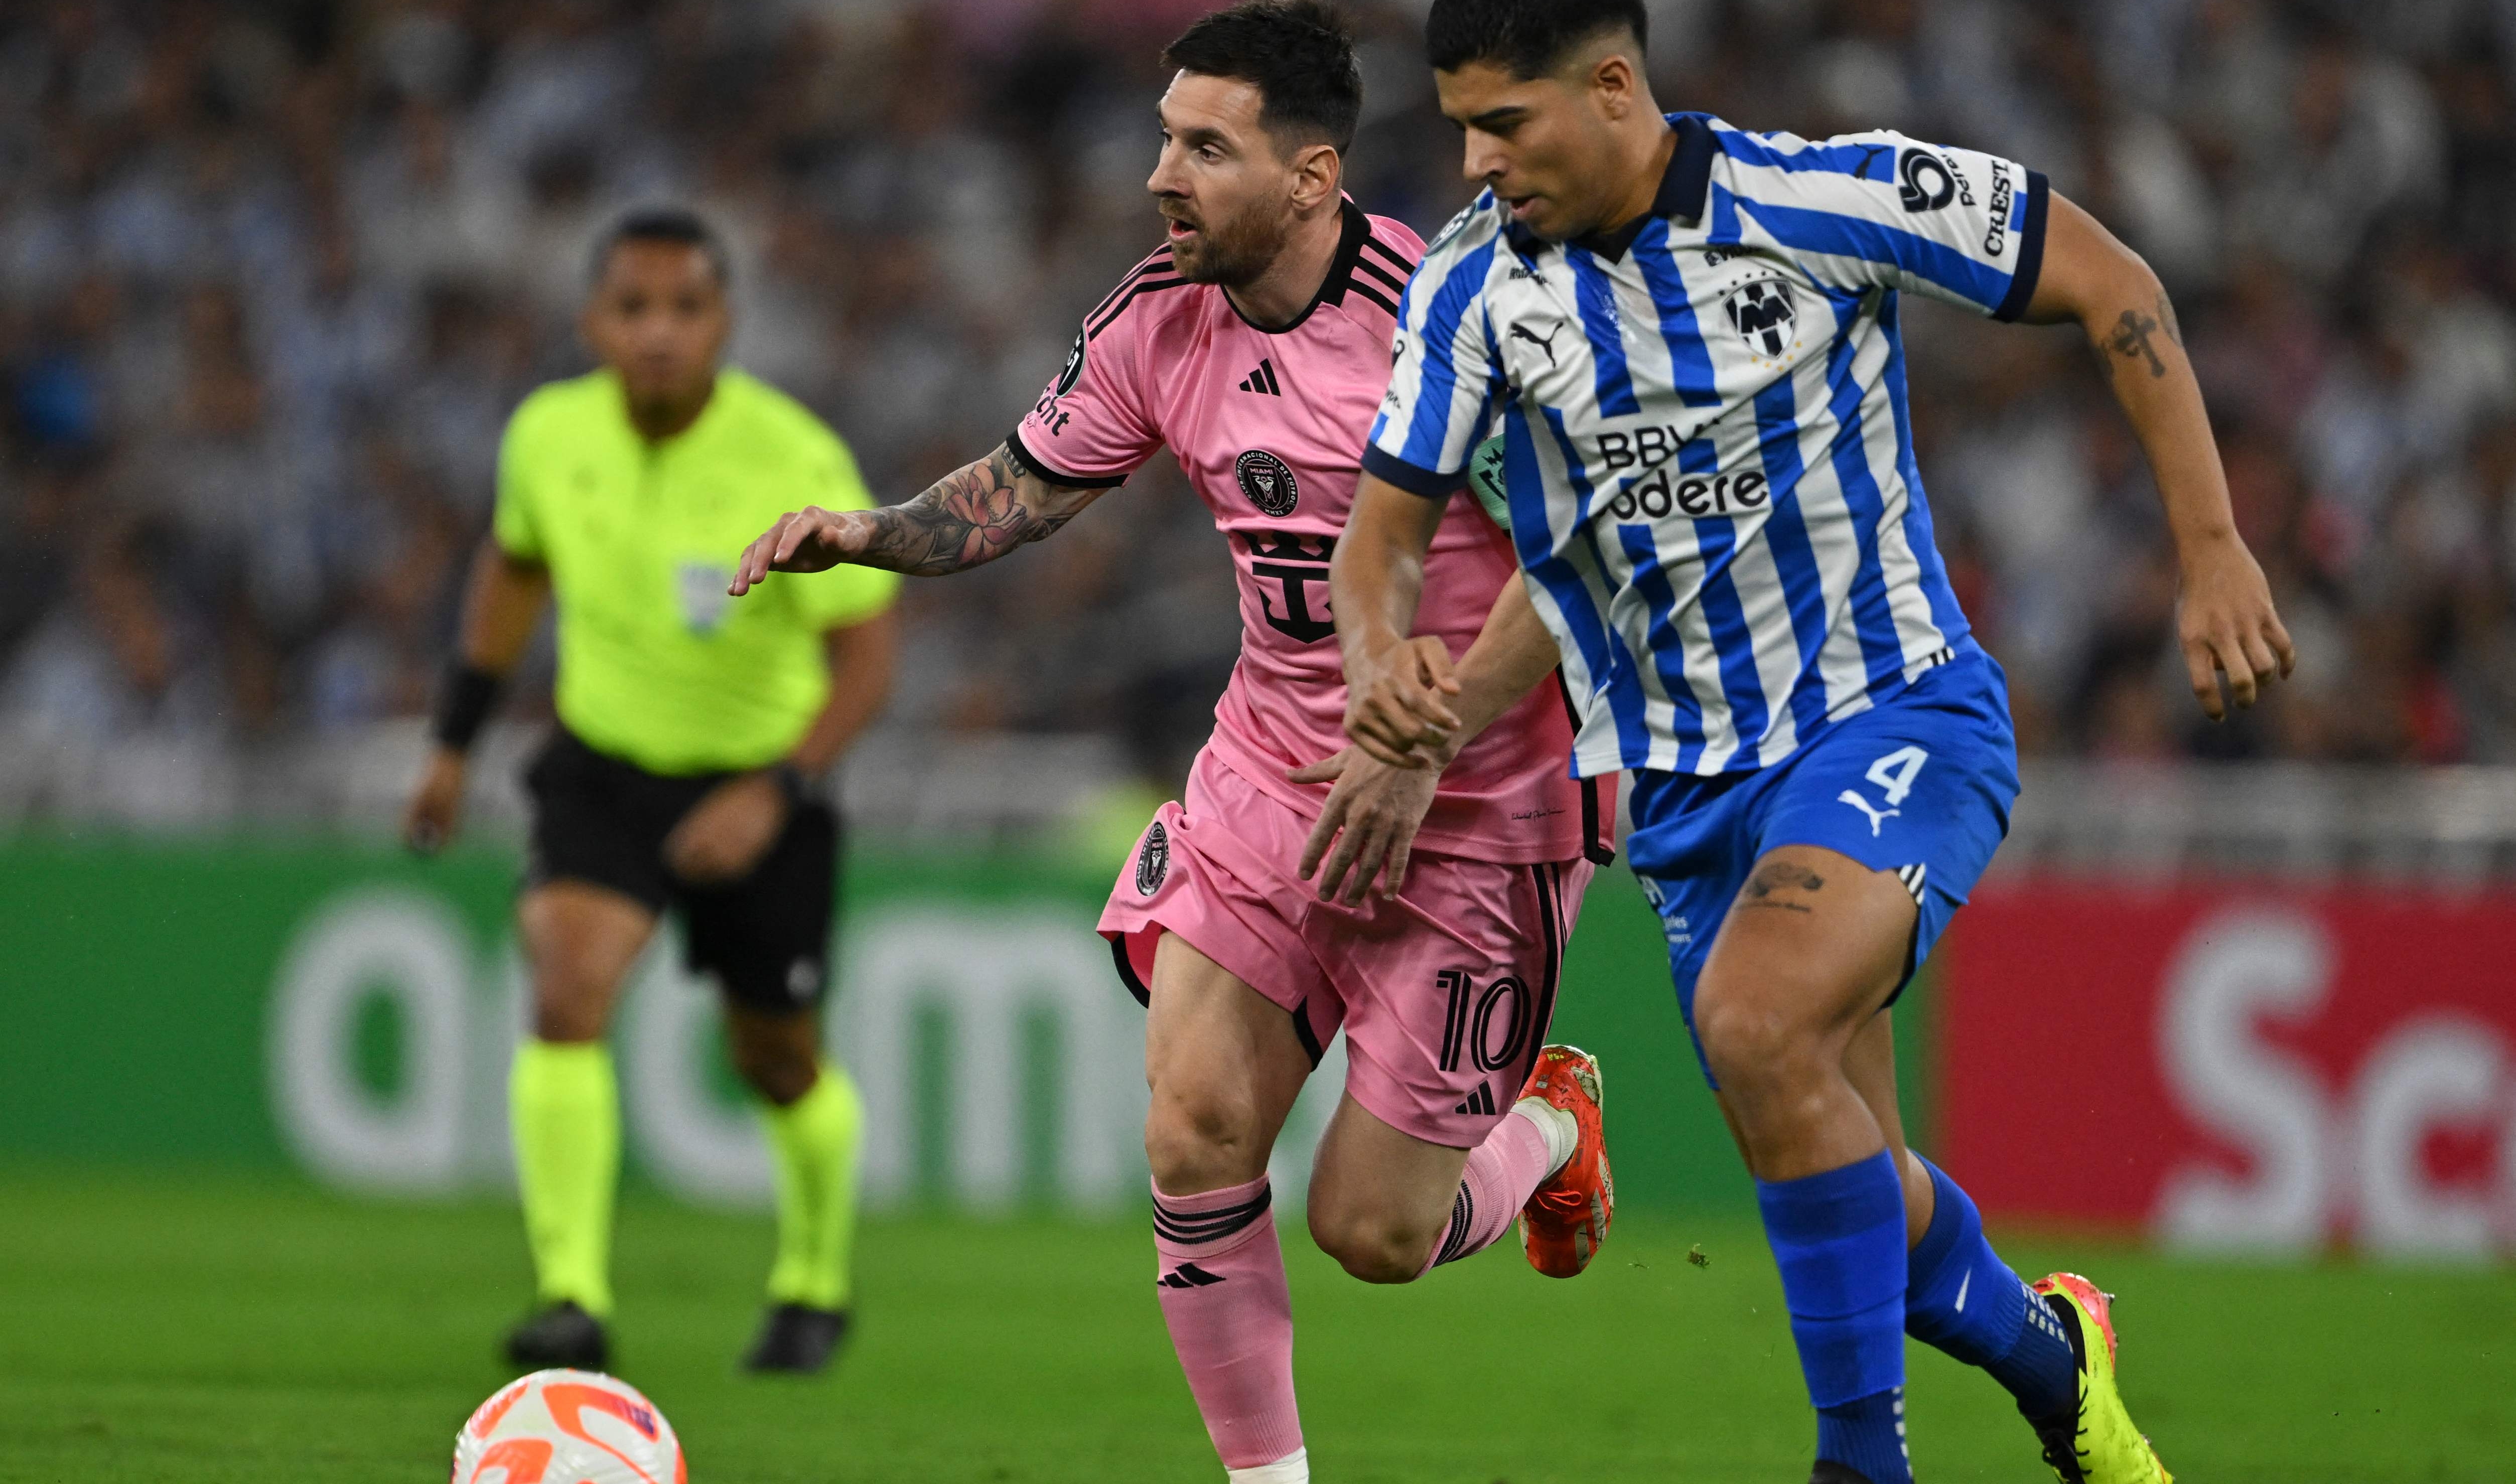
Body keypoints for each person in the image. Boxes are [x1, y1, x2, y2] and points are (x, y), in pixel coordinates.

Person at [1332, 4, 2297, 1482]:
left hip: (1891, 713)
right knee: (1857, 1195)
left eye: (1502, 123)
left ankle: (1858, 1464)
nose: (1474, 159)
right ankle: (2063, 1365)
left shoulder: (1818, 197)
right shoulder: (1470, 291)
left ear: (1607, 86)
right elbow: (1380, 537)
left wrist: (2211, 544)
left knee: (1756, 1024)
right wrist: (1385, 661)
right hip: (1683, 797)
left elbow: (2110, 280)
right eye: (1459, 125)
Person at [730, 6, 1614, 1480]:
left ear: (1313, 174)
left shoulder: (1459, 312)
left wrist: (1420, 736)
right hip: (1269, 778)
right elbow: (1020, 484)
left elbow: (1575, 560)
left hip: (1478, 806)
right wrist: (868, 535)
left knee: (1372, 1232)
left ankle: (1545, 1131)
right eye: (1164, 137)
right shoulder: (1161, 315)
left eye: (1206, 146)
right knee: (1196, 1127)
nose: (1162, 174)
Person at [401, 206, 900, 1376]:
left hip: (762, 782)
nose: (659, 333)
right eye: (633, 309)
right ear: (593, 321)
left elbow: (867, 657)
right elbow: (515, 569)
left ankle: (813, 1283)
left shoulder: (793, 456)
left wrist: (776, 788)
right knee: (567, 987)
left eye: (685, 309)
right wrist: (451, 744)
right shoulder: (547, 435)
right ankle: (569, 1296)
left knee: (776, 1058)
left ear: (725, 322)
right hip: (604, 768)